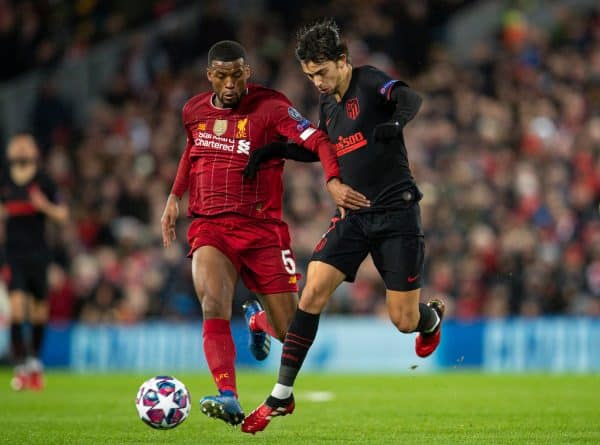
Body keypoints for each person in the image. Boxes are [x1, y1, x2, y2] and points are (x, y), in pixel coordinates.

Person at [241, 20, 445, 433]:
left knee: (404, 321)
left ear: (343, 61)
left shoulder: (369, 82)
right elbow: (325, 149)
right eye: (310, 75)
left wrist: (395, 125)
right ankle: (281, 395)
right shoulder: (329, 105)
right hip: (353, 217)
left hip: (397, 214)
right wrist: (274, 151)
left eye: (322, 72)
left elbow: (410, 97)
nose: (317, 81)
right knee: (312, 290)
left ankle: (431, 320)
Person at [160, 40, 369, 426]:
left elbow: (317, 138)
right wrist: (174, 196)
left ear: (247, 73)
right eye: (221, 75)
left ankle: (258, 322)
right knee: (212, 304)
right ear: (210, 76)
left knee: (293, 334)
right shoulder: (193, 110)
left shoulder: (271, 107)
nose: (229, 83)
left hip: (262, 230)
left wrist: (333, 180)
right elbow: (192, 151)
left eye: (237, 74)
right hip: (210, 225)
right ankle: (228, 395)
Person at [0, 134, 69, 391]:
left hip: (39, 254)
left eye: (25, 144)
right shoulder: (4, 180)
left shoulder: (44, 181)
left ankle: (35, 364)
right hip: (13, 255)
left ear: (34, 151)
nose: (20, 147)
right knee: (17, 309)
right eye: (16, 144)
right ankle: (20, 368)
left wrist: (44, 206)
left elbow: (63, 215)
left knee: (40, 312)